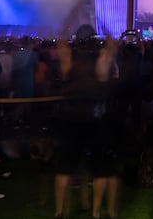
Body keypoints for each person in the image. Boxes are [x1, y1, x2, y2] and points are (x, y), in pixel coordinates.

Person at [53, 35, 122, 219]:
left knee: (64, 168)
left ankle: (60, 212)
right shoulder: (100, 63)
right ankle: (96, 212)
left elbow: (62, 50)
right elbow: (110, 53)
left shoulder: (70, 63)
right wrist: (110, 40)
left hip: (71, 120)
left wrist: (64, 28)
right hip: (95, 119)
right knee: (100, 169)